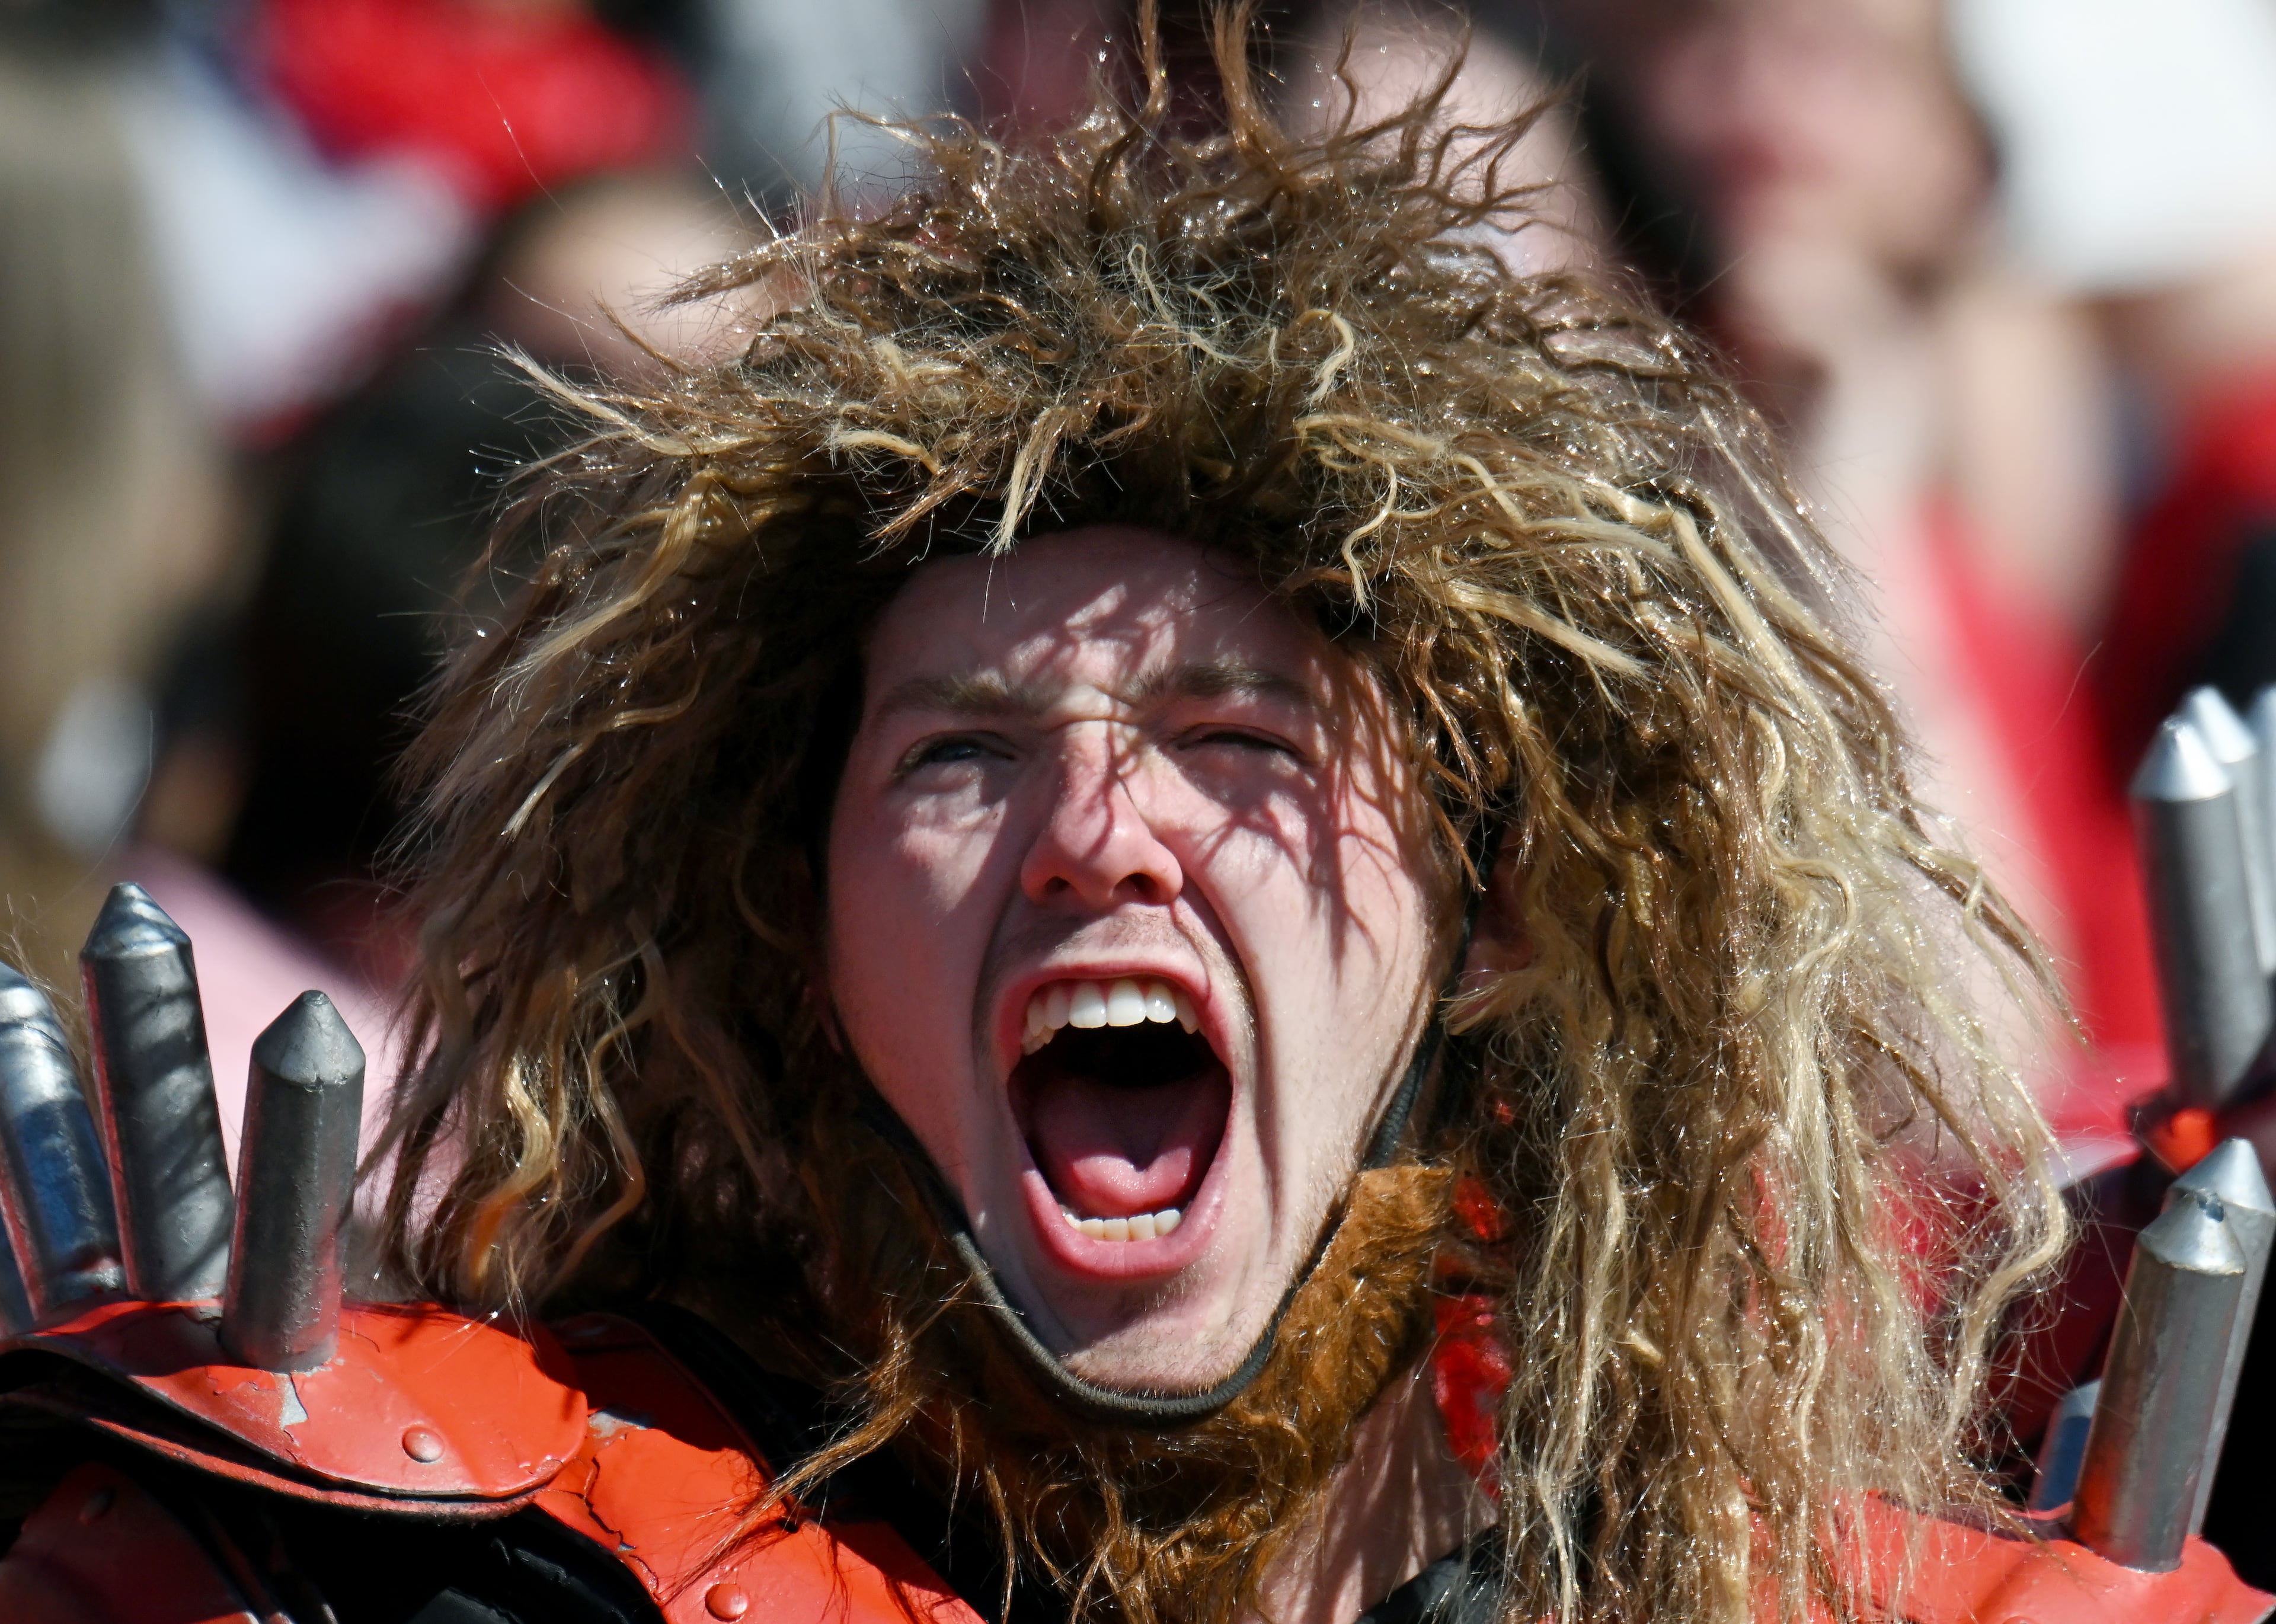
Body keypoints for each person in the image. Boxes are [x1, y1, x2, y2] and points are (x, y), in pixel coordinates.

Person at [0, 14, 2266, 1624]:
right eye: (960, 752)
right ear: (793, 921)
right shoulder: (482, 1562)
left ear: (1493, 910)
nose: (1097, 828)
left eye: (1243, 739)